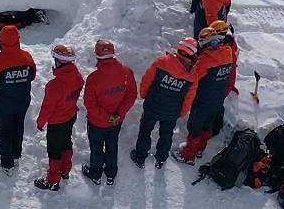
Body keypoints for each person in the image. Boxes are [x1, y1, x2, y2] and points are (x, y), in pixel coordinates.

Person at [130, 37, 200, 170]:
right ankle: (161, 159)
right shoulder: (192, 76)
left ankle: (140, 157)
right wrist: (182, 112)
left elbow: (146, 80)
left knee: (145, 131)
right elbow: (189, 98)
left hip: (152, 107)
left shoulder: (161, 62)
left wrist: (144, 95)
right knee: (166, 134)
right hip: (171, 112)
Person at [172, 27, 236, 165]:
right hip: (218, 100)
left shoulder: (205, 60)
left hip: (202, 101)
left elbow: (193, 77)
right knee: (207, 126)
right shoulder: (228, 53)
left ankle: (188, 156)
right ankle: (200, 149)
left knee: (195, 128)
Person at [82, 40, 138, 185]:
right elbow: (131, 95)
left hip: (97, 123)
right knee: (112, 145)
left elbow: (90, 104)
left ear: (97, 55)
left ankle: (95, 173)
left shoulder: (93, 79)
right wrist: (118, 114)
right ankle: (111, 174)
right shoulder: (127, 72)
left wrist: (107, 117)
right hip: (116, 122)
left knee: (97, 148)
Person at [0, 26, 37, 176]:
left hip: (4, 103)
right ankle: (16, 153)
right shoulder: (27, 57)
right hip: (22, 100)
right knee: (18, 126)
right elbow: (33, 76)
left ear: (1, 40)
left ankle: (7, 162)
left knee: (5, 131)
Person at [33, 45, 84, 191]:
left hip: (56, 122)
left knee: (54, 150)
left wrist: (40, 122)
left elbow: (48, 107)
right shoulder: (77, 76)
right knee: (66, 142)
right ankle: (65, 170)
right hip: (70, 116)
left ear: (59, 62)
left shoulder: (54, 85)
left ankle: (53, 181)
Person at [208, 20, 239, 137]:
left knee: (216, 104)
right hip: (223, 79)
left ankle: (214, 128)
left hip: (223, 80)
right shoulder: (228, 43)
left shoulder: (227, 48)